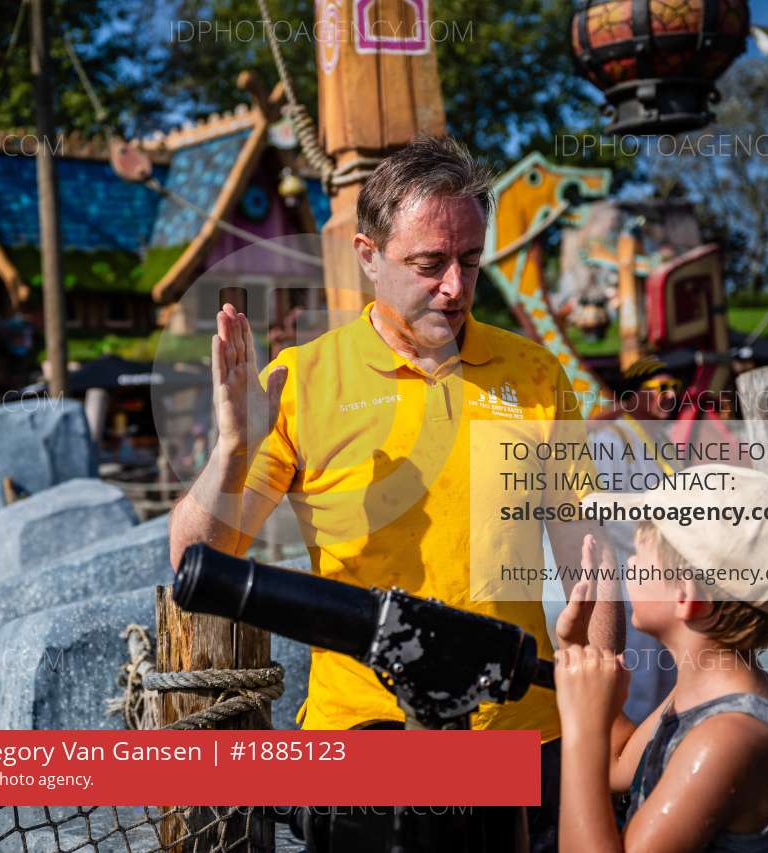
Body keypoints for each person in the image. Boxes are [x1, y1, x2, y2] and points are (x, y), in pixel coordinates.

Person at [168, 135, 621, 850]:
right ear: (368, 254)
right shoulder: (301, 381)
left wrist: (602, 716)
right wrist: (232, 452)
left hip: (522, 733)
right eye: (429, 264)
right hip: (364, 740)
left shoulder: (535, 375)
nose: (455, 286)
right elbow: (195, 564)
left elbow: (589, 562)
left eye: (470, 260)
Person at [555, 464, 768, 851]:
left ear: (687, 596)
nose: (629, 564)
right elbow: (618, 763)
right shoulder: (703, 694)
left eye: (639, 555)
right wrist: (579, 652)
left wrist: (581, 729)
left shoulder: (727, 739)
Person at [586, 369, 683, 722]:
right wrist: (656, 544)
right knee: (638, 683)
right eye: (660, 388)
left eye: (675, 387)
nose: (670, 396)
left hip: (668, 577)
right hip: (631, 578)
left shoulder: (662, 441)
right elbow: (603, 510)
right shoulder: (611, 439)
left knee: (668, 679)